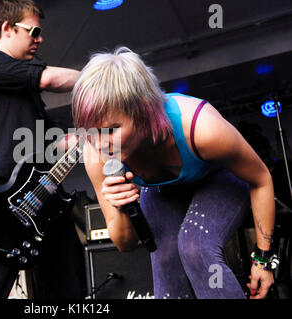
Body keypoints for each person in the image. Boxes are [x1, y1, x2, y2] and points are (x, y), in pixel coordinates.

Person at [71, 47, 277, 299]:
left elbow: (261, 180)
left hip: (218, 178)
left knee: (194, 246)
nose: (101, 142)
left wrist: (263, 260)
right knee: (165, 254)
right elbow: (125, 244)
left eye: (111, 129)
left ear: (143, 111)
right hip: (162, 189)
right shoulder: (97, 153)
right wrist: (120, 205)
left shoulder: (203, 129)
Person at [0, 0, 85, 299]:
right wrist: (104, 79)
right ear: (7, 28)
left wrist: (82, 137)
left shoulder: (26, 94)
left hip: (45, 193)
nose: (40, 39)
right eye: (34, 31)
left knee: (66, 286)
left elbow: (50, 145)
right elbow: (50, 78)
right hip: (4, 197)